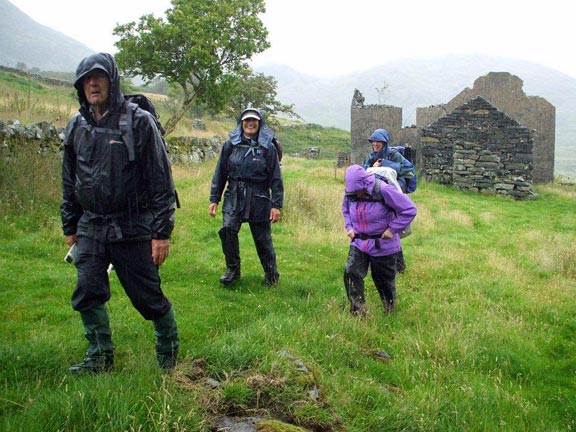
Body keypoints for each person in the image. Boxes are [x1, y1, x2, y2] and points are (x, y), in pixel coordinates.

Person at [61, 53, 179, 373]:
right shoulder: (76, 126)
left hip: (132, 225)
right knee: (87, 289)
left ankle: (168, 352)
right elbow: (70, 178)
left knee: (147, 295)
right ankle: (100, 356)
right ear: (79, 86)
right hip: (91, 224)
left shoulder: (138, 122)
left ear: (112, 81)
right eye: (86, 79)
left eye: (99, 77)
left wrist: (161, 232)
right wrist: (70, 223)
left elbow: (160, 180)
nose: (93, 83)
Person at [209, 108, 284, 286]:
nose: (250, 123)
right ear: (241, 122)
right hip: (234, 193)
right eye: (246, 120)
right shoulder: (230, 145)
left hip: (259, 196)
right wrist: (214, 199)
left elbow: (276, 177)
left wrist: (276, 205)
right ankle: (232, 270)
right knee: (227, 230)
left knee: (262, 238)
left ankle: (271, 274)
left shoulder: (268, 147)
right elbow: (220, 173)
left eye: (254, 120)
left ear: (260, 123)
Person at [342, 165, 417, 315]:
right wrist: (349, 227)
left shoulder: (383, 190)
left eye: (358, 191)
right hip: (359, 242)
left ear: (363, 184)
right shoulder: (350, 192)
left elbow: (409, 209)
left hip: (383, 245)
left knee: (383, 280)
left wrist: (392, 229)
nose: (355, 195)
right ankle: (358, 310)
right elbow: (345, 209)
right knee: (351, 273)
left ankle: (390, 311)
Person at [362, 128, 416, 272]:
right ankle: (393, 265)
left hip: (392, 197)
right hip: (375, 197)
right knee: (383, 229)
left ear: (384, 143)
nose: (375, 144)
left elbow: (409, 169)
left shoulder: (394, 155)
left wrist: (387, 165)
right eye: (373, 141)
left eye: (378, 141)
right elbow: (363, 171)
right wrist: (372, 167)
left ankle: (398, 265)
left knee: (391, 228)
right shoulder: (371, 156)